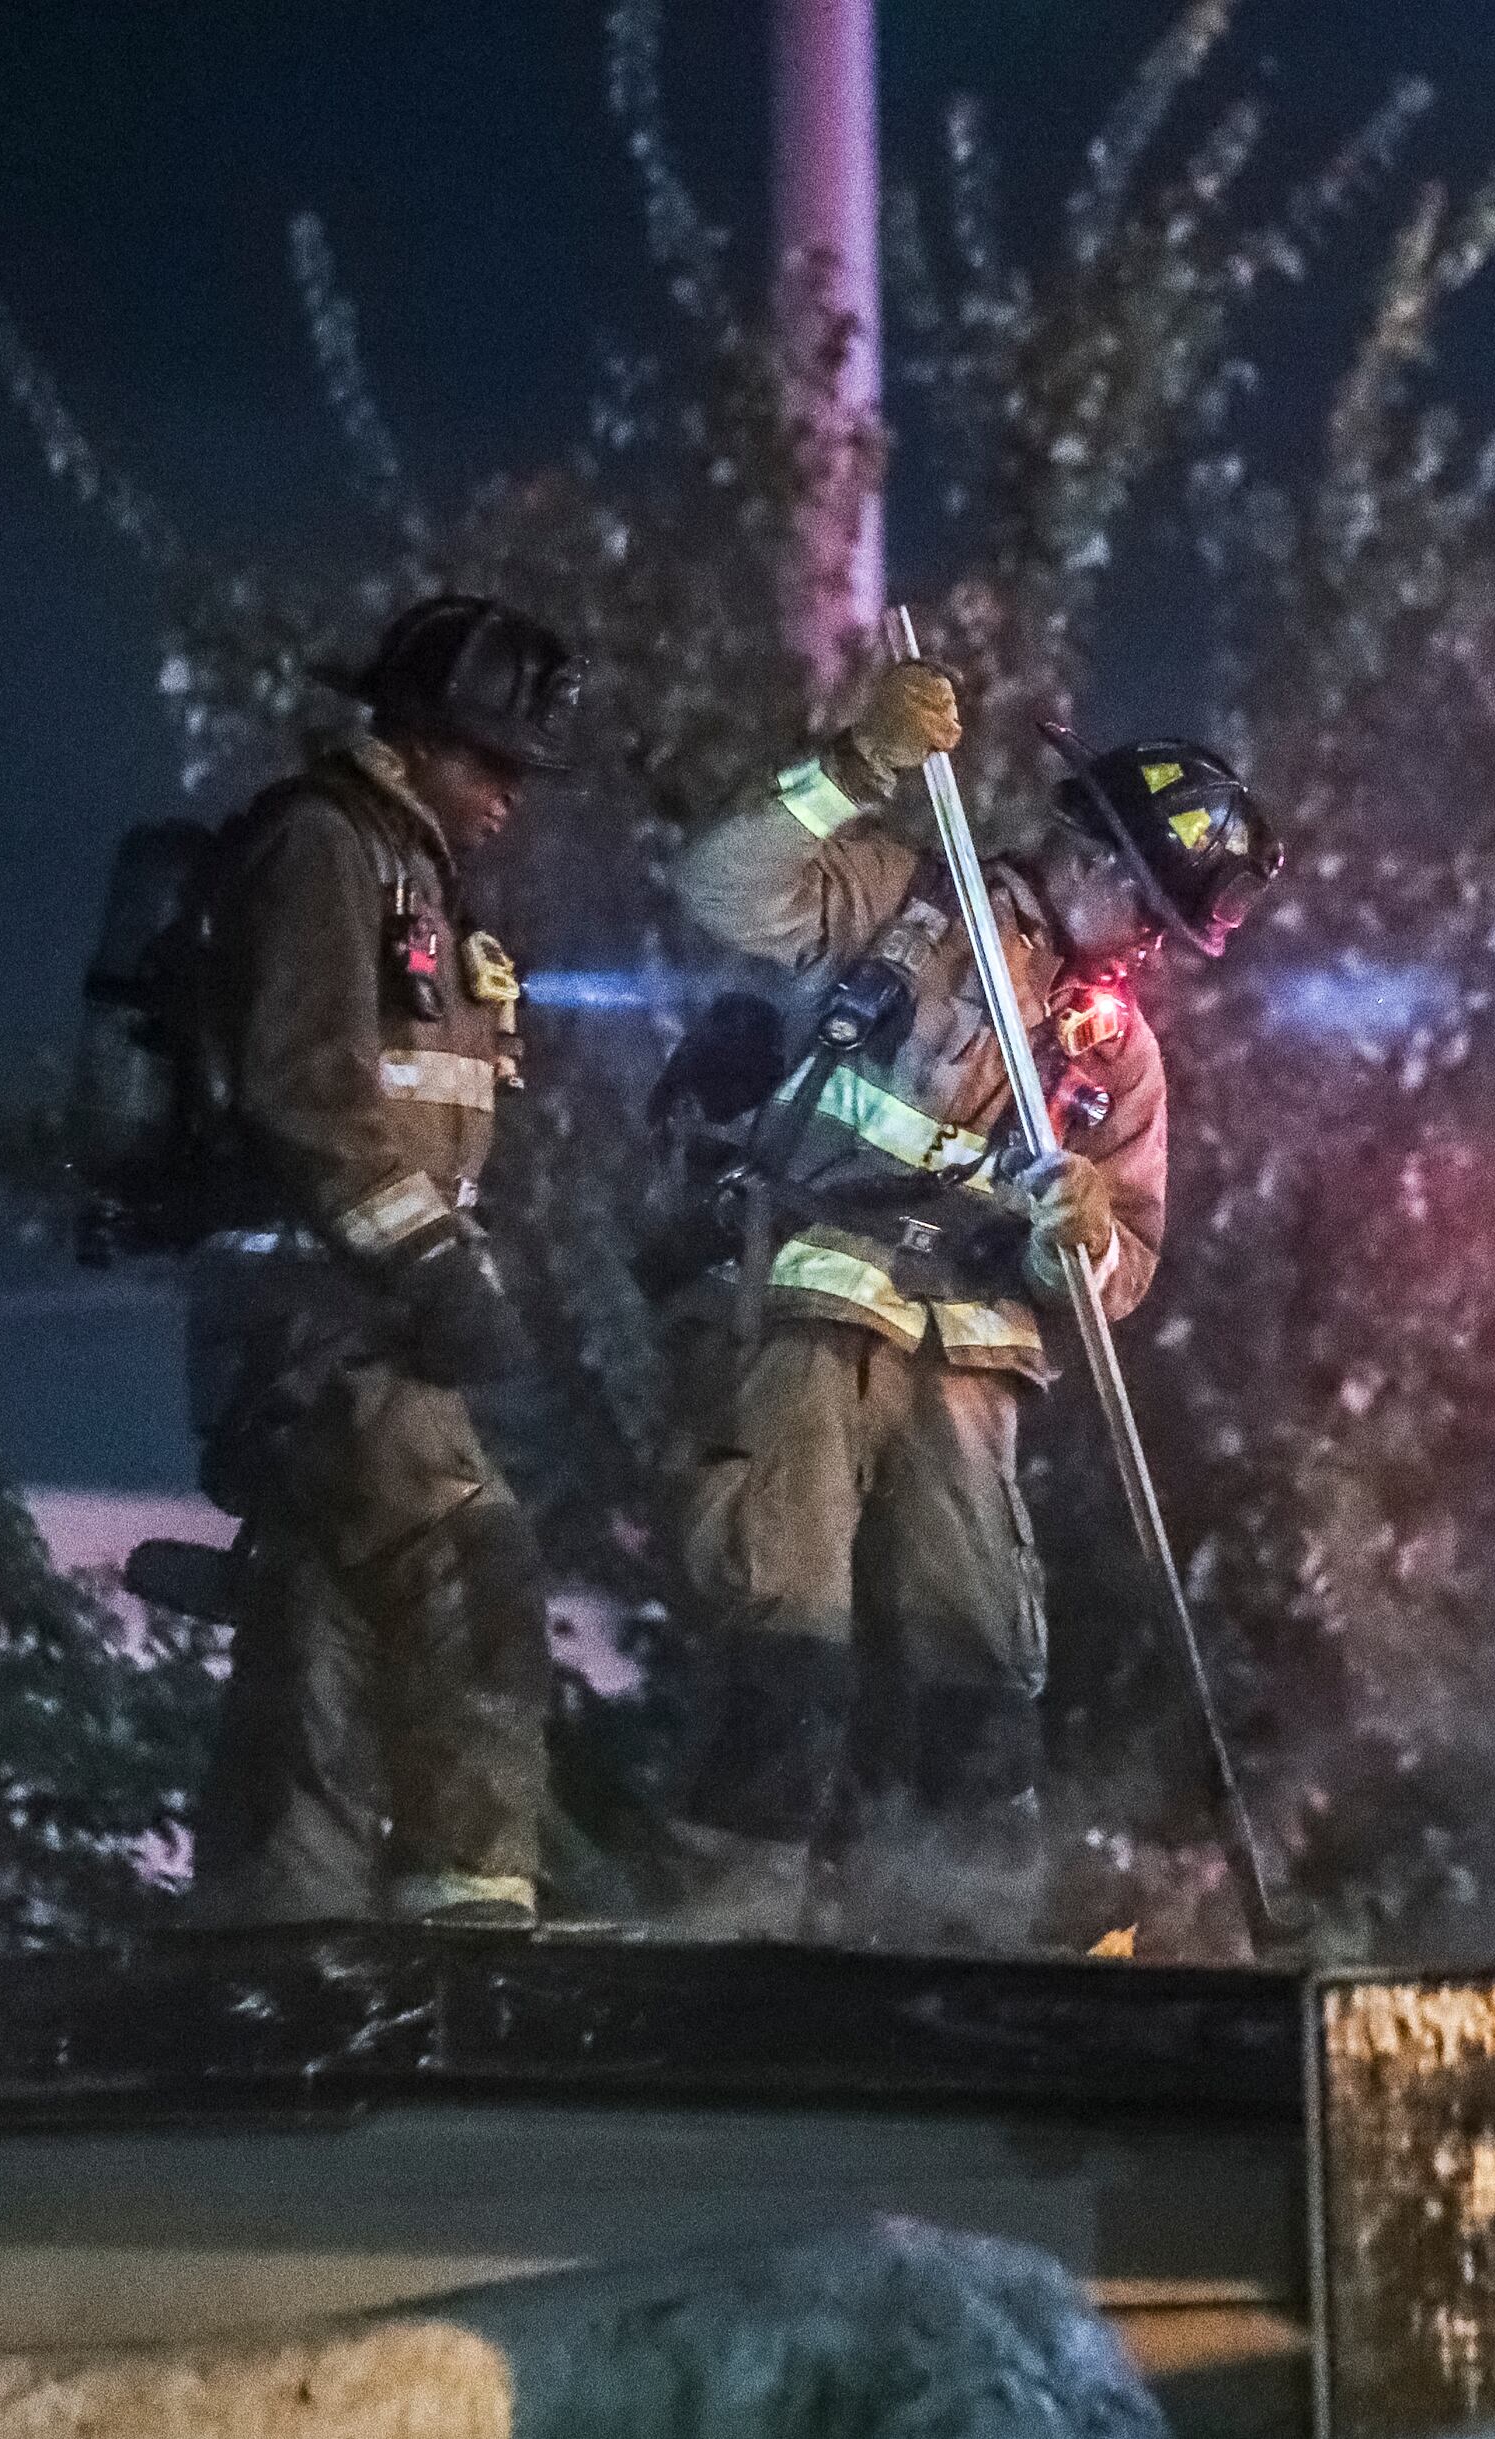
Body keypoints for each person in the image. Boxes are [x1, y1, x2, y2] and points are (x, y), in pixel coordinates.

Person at [652, 657, 1279, 1936]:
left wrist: (1085, 1239)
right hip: (810, 1313)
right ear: (1089, 850)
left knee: (984, 1665)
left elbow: (1125, 1275)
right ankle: (726, 1934)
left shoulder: (1121, 1054)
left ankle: (975, 1936)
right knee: (789, 1635)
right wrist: (853, 766)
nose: (1151, 945)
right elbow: (720, 888)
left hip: (974, 1364)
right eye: (1146, 908)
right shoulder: (903, 900)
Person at [182, 593, 585, 1929]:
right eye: (492, 763)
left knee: (321, 1627)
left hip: (351, 1315)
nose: (511, 797)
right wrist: (431, 1263)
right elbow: (302, 1089)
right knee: (472, 1561)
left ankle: (274, 1929)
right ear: (412, 738)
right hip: (323, 1313)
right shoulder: (323, 847)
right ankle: (467, 1919)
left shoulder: (413, 871)